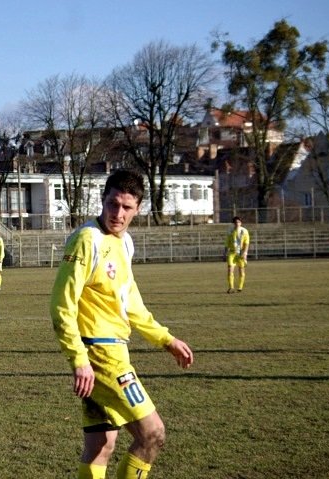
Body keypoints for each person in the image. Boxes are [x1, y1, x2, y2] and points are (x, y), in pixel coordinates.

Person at [50, 169, 193, 479]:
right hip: (100, 356)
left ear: (137, 208)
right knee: (152, 433)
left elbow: (131, 304)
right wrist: (79, 360)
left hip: (112, 351)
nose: (118, 213)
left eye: (126, 207)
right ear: (103, 200)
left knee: (101, 444)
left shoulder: (124, 243)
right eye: (113, 204)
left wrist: (165, 339)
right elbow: (62, 305)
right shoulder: (88, 240)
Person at [224, 216, 250, 293]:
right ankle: (231, 287)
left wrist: (245, 253)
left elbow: (246, 243)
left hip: (240, 253)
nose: (237, 224)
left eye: (238, 222)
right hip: (232, 253)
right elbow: (227, 243)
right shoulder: (230, 231)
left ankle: (240, 287)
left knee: (241, 270)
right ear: (233, 223)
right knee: (230, 269)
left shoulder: (244, 231)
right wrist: (225, 252)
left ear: (241, 223)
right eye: (235, 222)